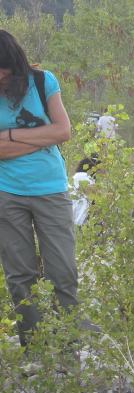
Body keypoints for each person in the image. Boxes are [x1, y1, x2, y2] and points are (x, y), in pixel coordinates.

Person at [0, 29, 76, 346]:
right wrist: (41, 136)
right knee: (20, 276)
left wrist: (13, 138)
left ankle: (68, 343)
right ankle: (34, 348)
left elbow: (64, 131)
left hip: (50, 188)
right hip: (7, 193)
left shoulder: (43, 81)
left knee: (64, 272)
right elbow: (51, 133)